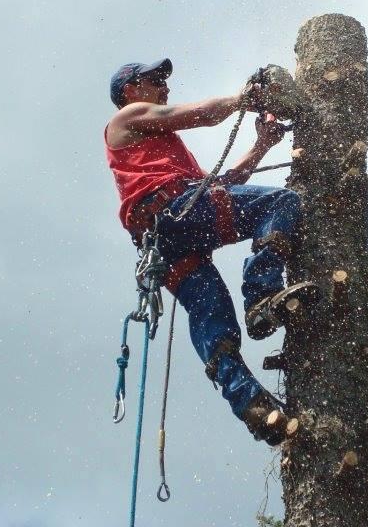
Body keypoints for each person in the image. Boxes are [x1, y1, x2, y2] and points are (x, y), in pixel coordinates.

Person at [104, 58, 315, 445]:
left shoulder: (159, 155)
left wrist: (261, 146)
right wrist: (243, 99)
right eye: (155, 80)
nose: (165, 88)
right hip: (175, 212)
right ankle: (262, 294)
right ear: (131, 90)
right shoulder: (129, 117)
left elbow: (223, 186)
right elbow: (199, 114)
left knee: (211, 313)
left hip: (167, 237)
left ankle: (252, 404)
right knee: (281, 203)